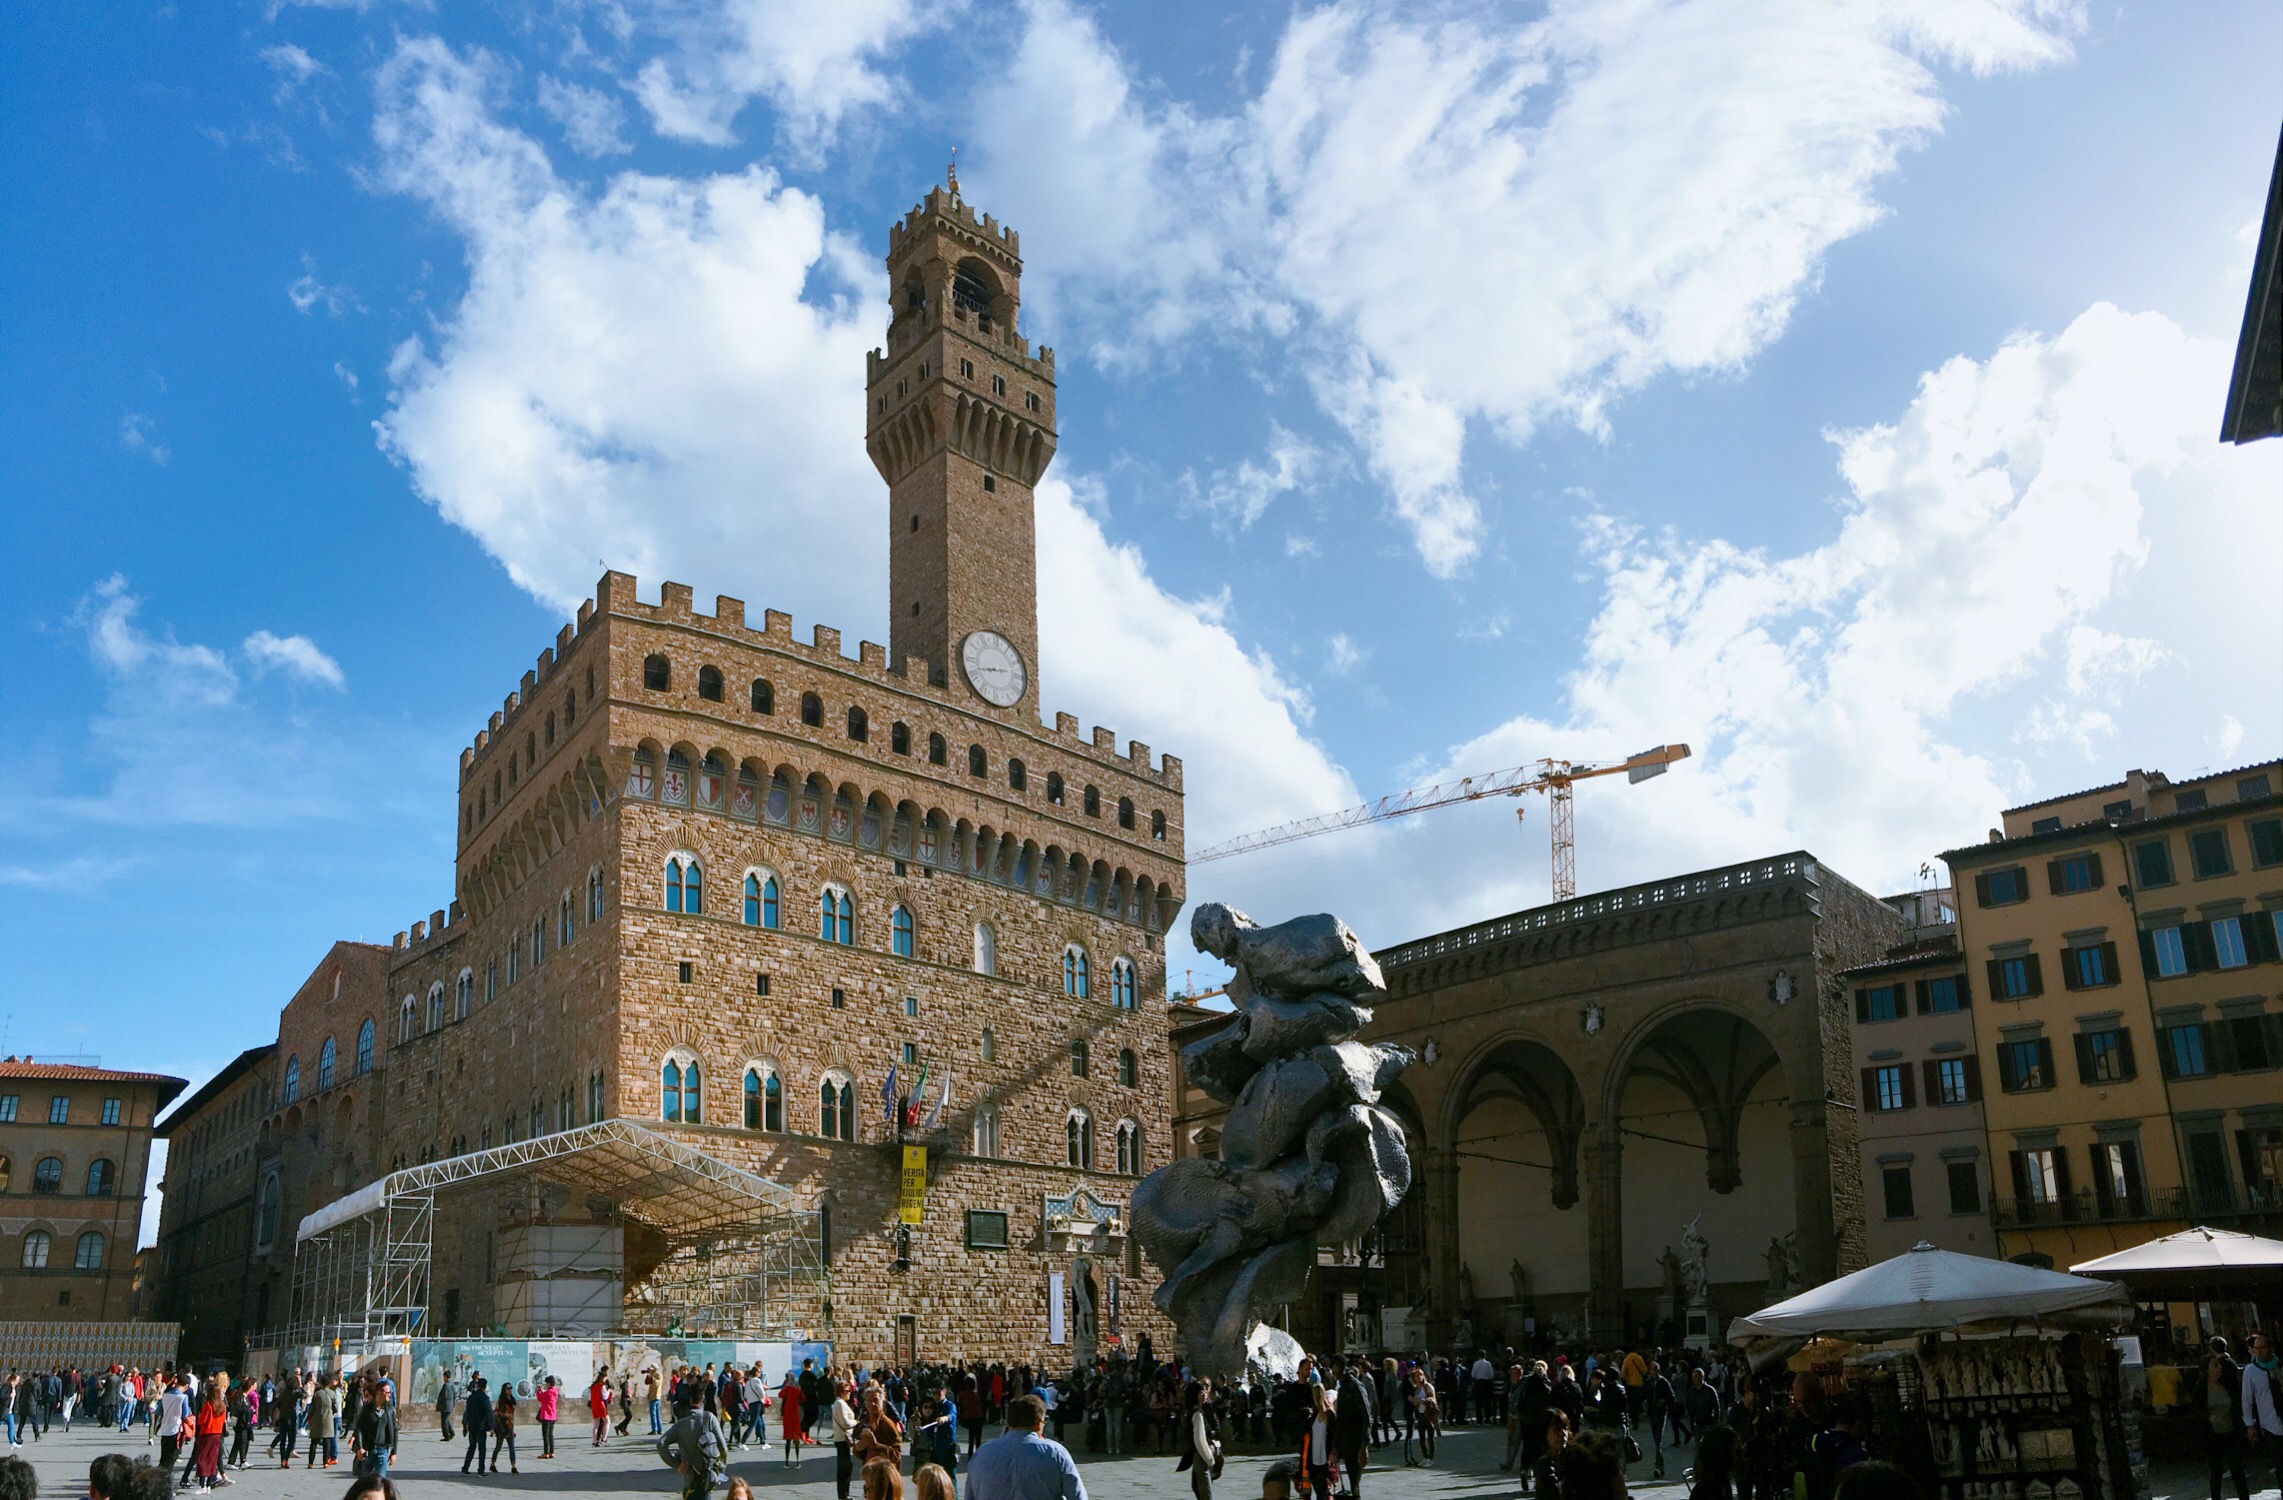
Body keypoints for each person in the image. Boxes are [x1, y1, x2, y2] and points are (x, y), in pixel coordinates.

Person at [967, 1392, 1086, 1500]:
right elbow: (1077, 1495)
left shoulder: (981, 1453)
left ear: (1009, 1422)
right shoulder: (1055, 1453)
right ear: (1039, 1423)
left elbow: (970, 1495)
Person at [660, 1397, 729, 1500]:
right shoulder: (709, 1418)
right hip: (708, 1475)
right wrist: (721, 1469)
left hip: (690, 1479)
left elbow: (661, 1444)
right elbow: (723, 1447)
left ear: (690, 1401)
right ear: (703, 1400)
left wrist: (676, 1465)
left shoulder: (681, 1424)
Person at [2206, 1343, 2250, 1500]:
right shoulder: (2202, 1388)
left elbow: (2236, 1402)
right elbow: (2198, 1409)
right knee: (2216, 1471)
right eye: (2215, 1365)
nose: (2219, 1367)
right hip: (2213, 1434)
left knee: (2237, 1469)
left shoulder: (2226, 1384)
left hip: (2230, 1431)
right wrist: (2208, 1417)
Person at [2245, 1331, 2283, 1497]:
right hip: (2269, 1423)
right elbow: (2246, 1398)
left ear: (2270, 1348)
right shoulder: (2251, 1371)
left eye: (2263, 1348)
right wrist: (2250, 1424)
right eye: (2256, 1348)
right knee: (2280, 1463)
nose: (2259, 1352)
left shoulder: (2279, 1366)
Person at [1333, 1359, 1371, 1500]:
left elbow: (1366, 1416)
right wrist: (1336, 1445)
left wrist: (1364, 1445)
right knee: (1352, 1483)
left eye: (1335, 1368)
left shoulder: (1355, 1385)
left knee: (1354, 1484)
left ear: (1342, 1368)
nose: (1333, 1372)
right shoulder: (1343, 1386)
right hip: (1346, 1440)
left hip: (1356, 1440)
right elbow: (1341, 1419)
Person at [1176, 1380, 1221, 1500]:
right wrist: (1209, 1458)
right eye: (1200, 1392)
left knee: (1201, 1488)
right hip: (1201, 1455)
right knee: (1203, 1489)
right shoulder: (1197, 1413)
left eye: (1205, 1391)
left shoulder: (1196, 1411)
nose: (1204, 1394)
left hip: (1200, 1455)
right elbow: (1199, 1439)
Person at [351, 1382, 396, 1480]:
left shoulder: (390, 1410)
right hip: (367, 1450)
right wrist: (360, 1447)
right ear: (379, 1393)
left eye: (390, 1392)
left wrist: (394, 1452)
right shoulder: (367, 1410)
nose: (390, 1395)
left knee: (379, 1480)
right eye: (387, 1392)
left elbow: (394, 1430)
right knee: (366, 1481)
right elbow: (359, 1429)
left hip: (382, 1449)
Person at [831, 1379, 859, 1500]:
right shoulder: (840, 1403)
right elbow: (845, 1423)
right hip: (842, 1438)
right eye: (847, 1391)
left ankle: (845, 1493)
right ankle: (843, 1494)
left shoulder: (841, 1403)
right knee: (844, 1467)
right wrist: (856, 1422)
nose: (849, 1393)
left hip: (843, 1438)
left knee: (846, 1466)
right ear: (841, 1392)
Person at [460, 1376, 493, 1475]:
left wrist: (464, 1425)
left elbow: (467, 1412)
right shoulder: (485, 1399)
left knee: (472, 1447)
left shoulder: (471, 1398)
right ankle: (481, 1470)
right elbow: (489, 1413)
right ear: (485, 1387)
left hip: (471, 1425)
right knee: (482, 1449)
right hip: (481, 1427)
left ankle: (465, 1467)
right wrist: (491, 1427)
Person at [306, 1377, 341, 1470]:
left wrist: (309, 1417)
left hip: (317, 1419)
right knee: (327, 1442)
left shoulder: (317, 1393)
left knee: (314, 1442)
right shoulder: (332, 1393)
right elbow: (335, 1408)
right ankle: (325, 1462)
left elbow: (312, 1407)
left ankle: (310, 1463)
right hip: (328, 1419)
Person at [491, 1380, 521, 1474]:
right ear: (504, 1390)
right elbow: (499, 1413)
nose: (510, 1390)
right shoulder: (501, 1400)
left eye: (511, 1388)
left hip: (509, 1426)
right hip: (501, 1426)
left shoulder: (512, 1400)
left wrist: (513, 1428)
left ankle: (513, 1466)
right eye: (508, 1388)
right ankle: (492, 1464)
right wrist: (507, 1416)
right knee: (498, 1447)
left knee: (512, 1447)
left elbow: (513, 1414)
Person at [780, 1372, 806, 1467]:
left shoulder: (787, 1388)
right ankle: (797, 1462)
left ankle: (786, 1463)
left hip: (787, 1415)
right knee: (796, 1438)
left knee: (788, 1439)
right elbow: (803, 1398)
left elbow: (780, 1394)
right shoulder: (797, 1389)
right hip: (795, 1414)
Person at [436, 1373, 459, 1444]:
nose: (443, 1378)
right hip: (450, 1405)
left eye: (443, 1377)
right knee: (446, 1419)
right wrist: (453, 1405)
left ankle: (446, 1435)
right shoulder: (452, 1385)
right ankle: (451, 1432)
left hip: (445, 1406)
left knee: (444, 1421)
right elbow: (455, 1395)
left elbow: (444, 1396)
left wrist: (440, 1403)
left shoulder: (446, 1385)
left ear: (445, 1377)